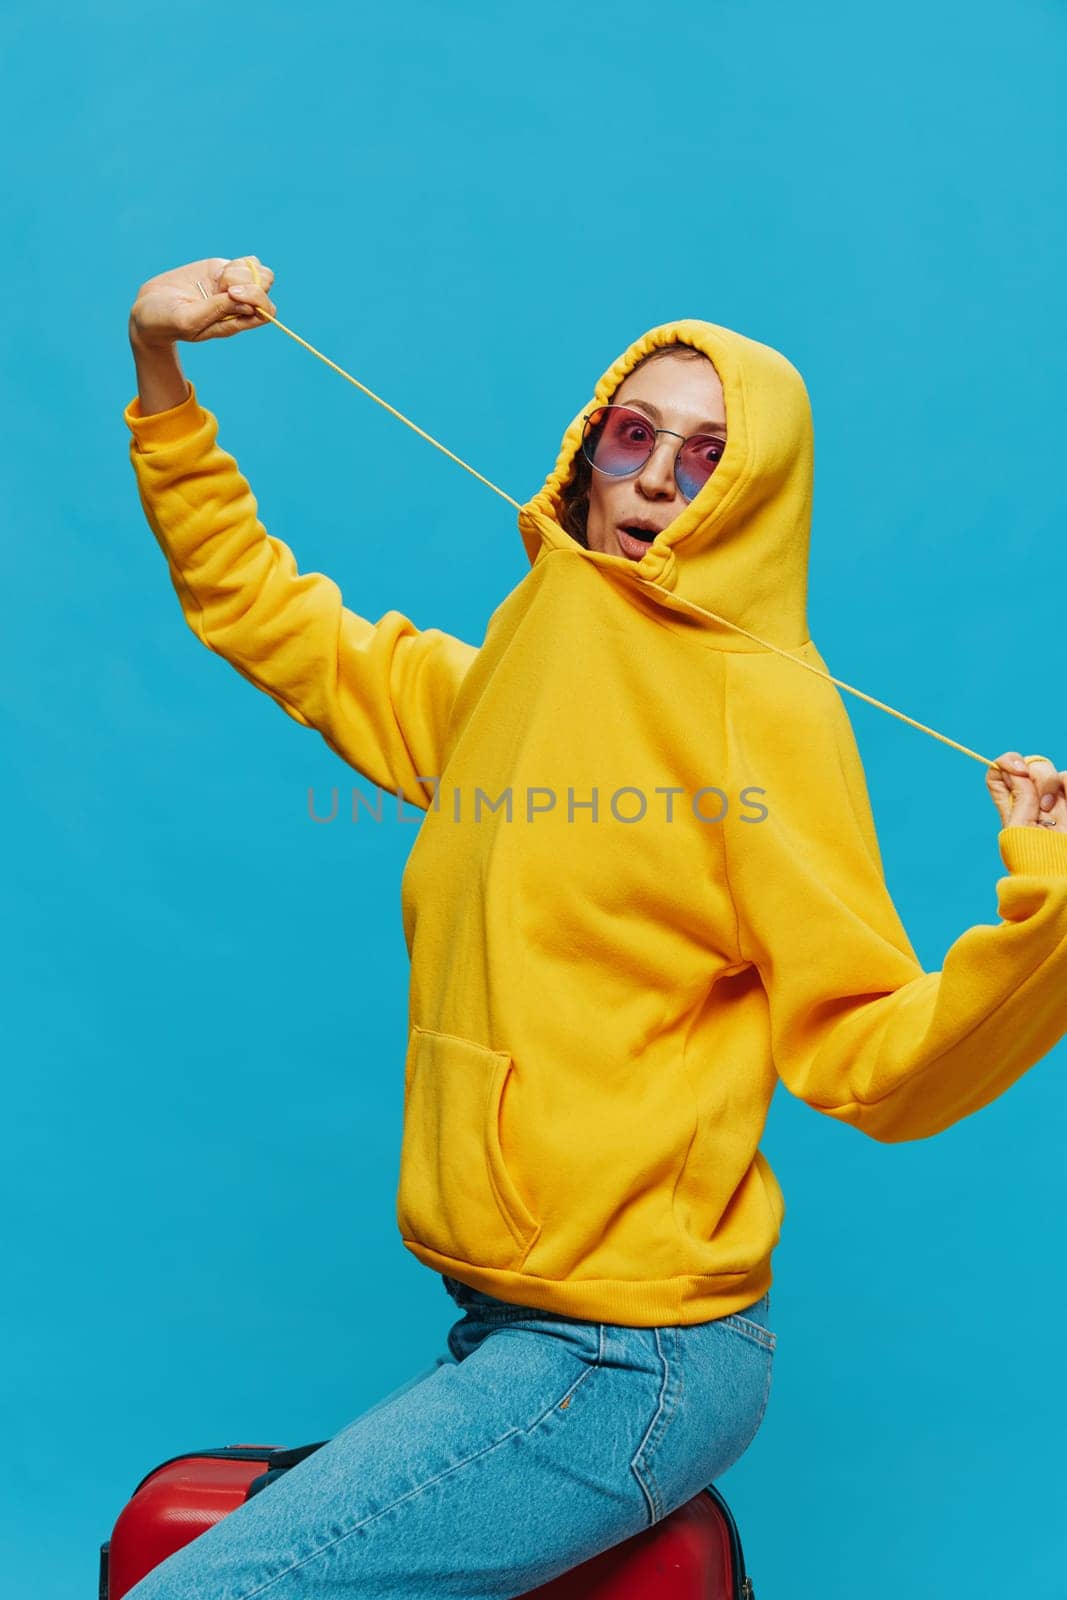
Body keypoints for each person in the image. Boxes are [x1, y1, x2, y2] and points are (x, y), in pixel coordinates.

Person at [120, 255, 1067, 1599]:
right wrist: (163, 376)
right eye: (636, 434)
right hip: (506, 1328)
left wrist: (1055, 914)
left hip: (635, 1363)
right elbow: (271, 616)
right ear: (586, 452)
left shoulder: (759, 712)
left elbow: (877, 1054)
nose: (660, 478)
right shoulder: (531, 657)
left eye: (710, 456)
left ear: (756, 496)